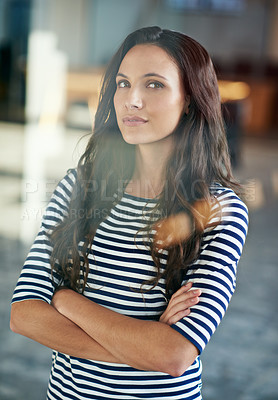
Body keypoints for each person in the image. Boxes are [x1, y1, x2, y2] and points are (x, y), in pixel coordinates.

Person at [10, 26, 248, 400]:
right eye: (123, 83)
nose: (131, 100)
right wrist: (142, 347)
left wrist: (66, 300)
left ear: (189, 99)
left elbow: (174, 354)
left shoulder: (217, 210)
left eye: (154, 84)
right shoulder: (78, 187)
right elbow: (24, 314)